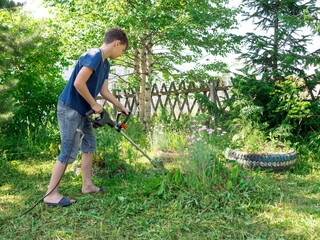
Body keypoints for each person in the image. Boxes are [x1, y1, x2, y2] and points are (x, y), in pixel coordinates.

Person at [44, 28, 130, 207]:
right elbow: (78, 83)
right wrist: (94, 104)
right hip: (70, 108)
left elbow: (104, 91)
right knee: (68, 150)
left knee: (89, 144)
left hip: (82, 111)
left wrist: (120, 105)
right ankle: (50, 194)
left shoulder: (105, 63)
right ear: (117, 43)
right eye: (122, 50)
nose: (121, 54)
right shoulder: (94, 55)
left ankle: (88, 185)